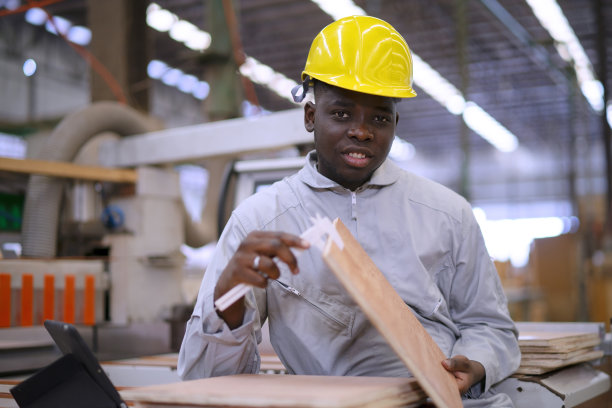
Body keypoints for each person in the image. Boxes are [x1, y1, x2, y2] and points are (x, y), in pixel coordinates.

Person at [178, 15, 520, 406]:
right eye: (341, 114)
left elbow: (490, 325)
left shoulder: (448, 214)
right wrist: (228, 301)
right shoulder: (259, 221)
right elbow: (204, 380)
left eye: (379, 117)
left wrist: (476, 362)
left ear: (395, 123)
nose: (361, 131)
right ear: (310, 117)